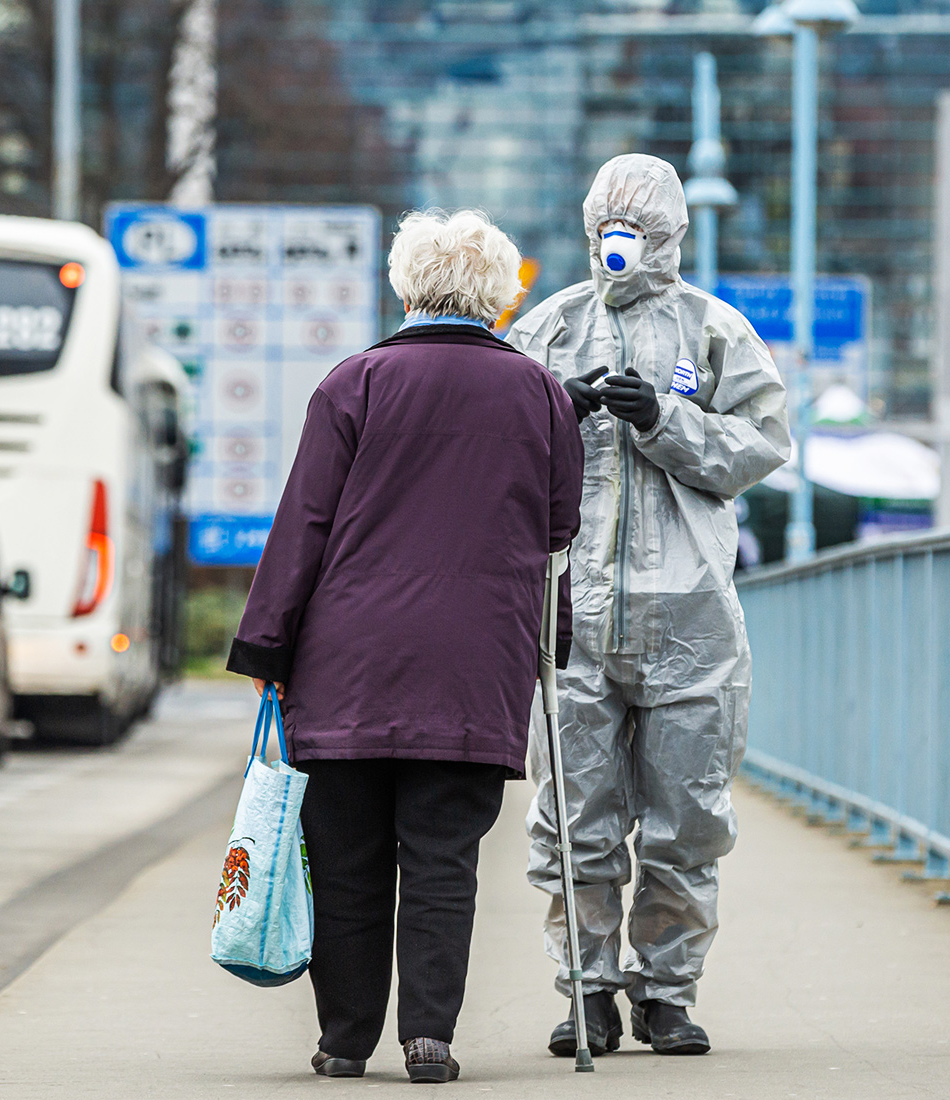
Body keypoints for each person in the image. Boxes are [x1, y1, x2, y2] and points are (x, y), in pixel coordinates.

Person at [227, 209, 584, 1084]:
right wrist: (553, 647)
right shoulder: (539, 394)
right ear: (501, 295)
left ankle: (344, 1041)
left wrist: (268, 646)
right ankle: (429, 1037)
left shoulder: (354, 383)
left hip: (345, 666)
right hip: (472, 670)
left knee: (346, 859)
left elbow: (303, 524)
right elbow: (560, 531)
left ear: (406, 284)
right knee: (441, 858)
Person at [506, 154, 791, 1057]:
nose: (620, 245)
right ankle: (587, 990)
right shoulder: (547, 332)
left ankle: (667, 993)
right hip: (575, 617)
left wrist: (664, 424)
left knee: (687, 818)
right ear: (591, 232)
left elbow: (762, 443)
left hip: (692, 620)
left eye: (636, 231)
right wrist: (560, 413)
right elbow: (499, 457)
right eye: (606, 232)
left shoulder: (715, 331)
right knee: (574, 820)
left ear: (670, 236)